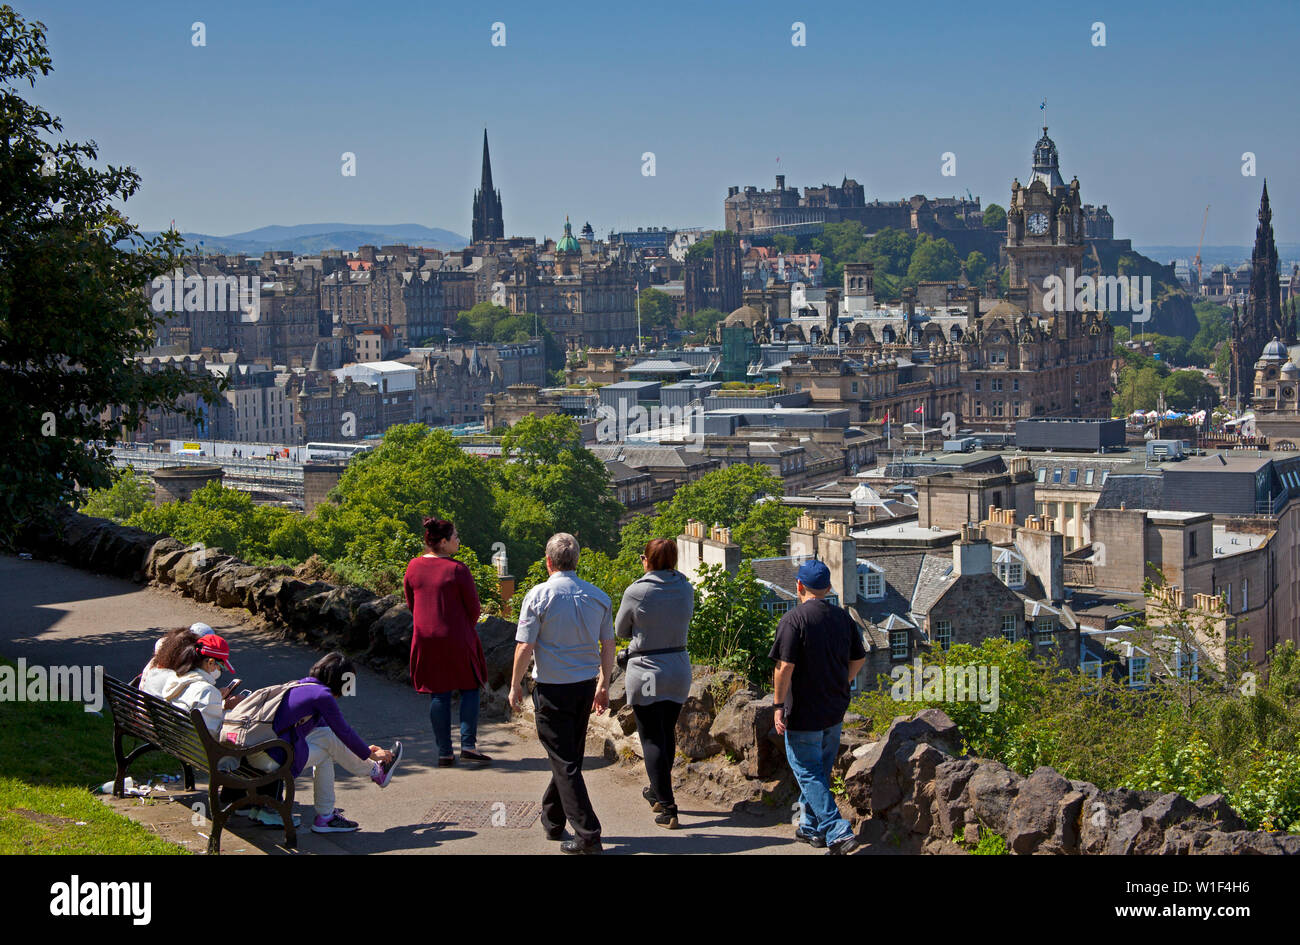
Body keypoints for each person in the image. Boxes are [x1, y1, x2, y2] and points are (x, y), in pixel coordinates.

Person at [509, 532, 615, 854]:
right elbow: (608, 644)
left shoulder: (538, 595)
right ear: (577, 560)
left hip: (552, 688)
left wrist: (515, 685)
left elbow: (525, 645)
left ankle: (588, 834)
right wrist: (604, 684)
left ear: (548, 561)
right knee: (569, 757)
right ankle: (553, 820)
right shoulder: (598, 597)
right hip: (584, 687)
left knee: (565, 760)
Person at [770, 560, 866, 856]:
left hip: (804, 711)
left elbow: (784, 667)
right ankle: (811, 827)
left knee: (807, 771)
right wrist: (842, 682)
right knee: (820, 770)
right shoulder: (843, 618)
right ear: (827, 588)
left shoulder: (793, 620)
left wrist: (777, 706)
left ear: (799, 586)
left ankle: (837, 830)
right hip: (835, 707)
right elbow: (859, 659)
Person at [251, 652, 402, 834]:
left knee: (326, 739)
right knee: (327, 742)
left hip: (257, 753)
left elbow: (327, 731)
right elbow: (342, 731)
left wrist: (360, 750)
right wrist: (370, 754)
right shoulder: (322, 696)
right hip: (271, 757)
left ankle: (328, 815)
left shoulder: (301, 686)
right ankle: (374, 772)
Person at [615, 538, 693, 829]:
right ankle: (657, 793)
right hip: (678, 667)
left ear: (646, 561)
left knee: (650, 737)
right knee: (665, 733)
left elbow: (621, 630)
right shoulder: (685, 587)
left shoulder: (638, 591)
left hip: (647, 669)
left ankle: (668, 806)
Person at [404, 517, 489, 766]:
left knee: (438, 694)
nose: (458, 540)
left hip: (426, 638)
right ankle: (468, 744)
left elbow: (411, 603)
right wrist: (461, 627)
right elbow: (474, 608)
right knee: (470, 687)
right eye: (455, 537)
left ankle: (444, 751)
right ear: (442, 542)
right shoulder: (457, 570)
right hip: (457, 637)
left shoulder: (413, 567)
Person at [140, 630, 243, 734]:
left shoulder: (175, 679)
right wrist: (231, 711)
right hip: (190, 744)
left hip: (166, 733)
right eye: (221, 666)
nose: (220, 670)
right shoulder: (206, 690)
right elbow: (213, 733)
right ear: (211, 662)